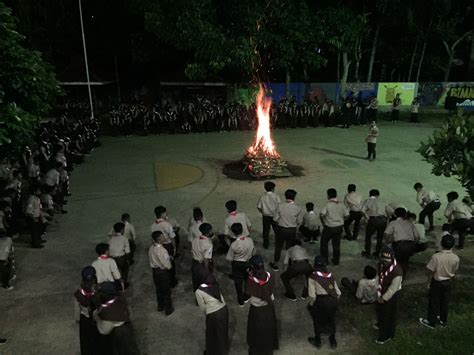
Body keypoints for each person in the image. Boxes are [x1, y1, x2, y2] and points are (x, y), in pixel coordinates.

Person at [419, 234, 459, 329]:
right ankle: (443, 320)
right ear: (453, 245)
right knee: (445, 301)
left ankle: (431, 322)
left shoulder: (436, 257)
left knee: (434, 301)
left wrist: (428, 282)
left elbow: (431, 271)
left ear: (441, 244)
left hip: (437, 282)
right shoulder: (455, 258)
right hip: (448, 282)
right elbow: (455, 271)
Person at [246, 255, 279, 355]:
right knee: (269, 327)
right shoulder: (270, 274)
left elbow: (248, 292)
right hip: (269, 306)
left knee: (256, 330)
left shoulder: (251, 280)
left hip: (257, 309)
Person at [94, 282, 138, 355]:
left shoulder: (107, 313)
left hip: (117, 334)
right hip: (127, 327)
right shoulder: (121, 299)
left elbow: (104, 331)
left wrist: (97, 319)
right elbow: (129, 312)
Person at [307, 255, 341, 349]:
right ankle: (333, 341)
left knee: (317, 320)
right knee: (331, 319)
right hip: (332, 301)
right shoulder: (330, 276)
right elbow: (338, 292)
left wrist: (311, 305)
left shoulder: (313, 277)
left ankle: (318, 341)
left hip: (321, 301)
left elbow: (312, 296)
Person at [194, 265, 229, 355]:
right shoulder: (214, 282)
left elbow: (203, 308)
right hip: (224, 309)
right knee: (222, 333)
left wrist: (208, 313)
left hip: (213, 315)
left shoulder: (199, 291)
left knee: (211, 334)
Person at [270, 189, 303, 271]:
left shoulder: (280, 206)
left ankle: (275, 264)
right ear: (294, 197)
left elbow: (275, 219)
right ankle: (289, 264)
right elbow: (299, 221)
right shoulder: (298, 208)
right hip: (291, 230)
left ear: (285, 196)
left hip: (281, 229)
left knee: (278, 246)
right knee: (290, 248)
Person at [375, 247, 403, 345]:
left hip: (391, 295)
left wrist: (383, 298)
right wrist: (377, 291)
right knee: (380, 311)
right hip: (382, 289)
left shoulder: (397, 271)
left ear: (392, 259)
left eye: (387, 261)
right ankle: (380, 323)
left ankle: (386, 335)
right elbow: (378, 276)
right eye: (383, 260)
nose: (385, 263)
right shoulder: (381, 265)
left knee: (389, 314)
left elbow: (393, 289)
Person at [226, 223, 255, 306]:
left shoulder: (234, 244)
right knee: (248, 280)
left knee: (238, 282)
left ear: (233, 232)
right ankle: (247, 296)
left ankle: (240, 300)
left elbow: (229, 258)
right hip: (247, 262)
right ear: (242, 230)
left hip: (237, 264)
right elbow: (253, 251)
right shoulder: (250, 240)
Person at [384, 207, 419, 276]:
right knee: (405, 261)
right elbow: (417, 236)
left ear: (395, 215)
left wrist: (387, 242)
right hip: (410, 245)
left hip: (399, 245)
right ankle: (403, 276)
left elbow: (386, 234)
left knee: (397, 261)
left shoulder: (393, 223)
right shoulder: (410, 223)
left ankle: (396, 276)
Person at [74, 266, 100, 355]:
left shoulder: (80, 292)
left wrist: (77, 318)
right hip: (97, 317)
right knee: (98, 339)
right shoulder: (97, 289)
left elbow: (77, 307)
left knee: (85, 340)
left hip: (85, 319)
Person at [319, 188, 348, 266]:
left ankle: (325, 260)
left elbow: (321, 214)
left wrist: (323, 222)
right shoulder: (341, 204)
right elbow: (347, 215)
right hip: (339, 227)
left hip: (329, 227)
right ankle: (336, 260)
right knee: (336, 245)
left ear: (328, 195)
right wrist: (342, 221)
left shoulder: (327, 205)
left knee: (324, 244)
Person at [150, 206, 178, 286]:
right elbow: (172, 237)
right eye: (165, 212)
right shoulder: (167, 224)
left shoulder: (152, 226)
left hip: (158, 245)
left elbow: (152, 238)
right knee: (170, 262)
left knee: (161, 261)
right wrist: (174, 247)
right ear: (162, 214)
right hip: (167, 246)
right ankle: (172, 281)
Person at [149, 231, 174, 315]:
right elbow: (165, 263)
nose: (164, 238)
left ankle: (160, 306)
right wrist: (169, 266)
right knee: (166, 290)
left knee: (158, 289)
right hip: (162, 272)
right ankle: (168, 309)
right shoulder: (162, 250)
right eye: (162, 237)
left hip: (155, 271)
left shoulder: (151, 248)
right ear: (159, 240)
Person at [362, 189, 388, 259]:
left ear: (370, 195)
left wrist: (366, 218)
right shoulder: (382, 201)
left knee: (368, 236)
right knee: (380, 237)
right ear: (378, 195)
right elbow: (389, 211)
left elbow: (362, 210)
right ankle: (377, 252)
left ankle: (368, 251)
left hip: (373, 220)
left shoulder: (367, 201)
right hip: (382, 220)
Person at [257, 181, 281, 249]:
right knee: (277, 230)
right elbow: (279, 206)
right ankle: (278, 243)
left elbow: (259, 207)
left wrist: (263, 212)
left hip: (266, 216)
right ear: (273, 189)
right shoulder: (276, 196)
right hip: (275, 215)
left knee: (266, 231)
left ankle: (266, 244)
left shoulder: (262, 197)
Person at [191, 223, 214, 291]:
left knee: (196, 283)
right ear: (209, 231)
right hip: (202, 265)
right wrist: (207, 272)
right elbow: (206, 259)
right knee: (204, 284)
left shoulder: (195, 239)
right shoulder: (208, 244)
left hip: (194, 263)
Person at [108, 223, 130, 287]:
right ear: (122, 230)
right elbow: (127, 252)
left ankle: (117, 283)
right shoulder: (124, 239)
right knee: (125, 270)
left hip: (112, 258)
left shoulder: (110, 239)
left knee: (115, 272)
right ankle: (124, 284)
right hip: (121, 258)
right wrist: (128, 260)